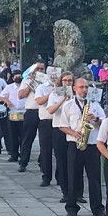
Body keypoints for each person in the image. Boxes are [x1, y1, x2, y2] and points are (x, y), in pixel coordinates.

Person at [56, 77, 105, 216]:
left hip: (92, 145)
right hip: (75, 144)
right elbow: (62, 126)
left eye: (86, 87)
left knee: (94, 178)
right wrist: (74, 133)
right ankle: (71, 207)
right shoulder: (69, 105)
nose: (84, 90)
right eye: (81, 87)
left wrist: (95, 119)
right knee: (73, 176)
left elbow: (105, 123)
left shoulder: (95, 105)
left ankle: (97, 207)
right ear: (74, 88)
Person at [46, 71, 74, 200]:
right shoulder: (54, 94)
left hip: (74, 130)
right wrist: (63, 99)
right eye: (65, 80)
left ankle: (76, 192)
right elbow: (51, 110)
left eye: (70, 81)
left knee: (74, 162)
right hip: (59, 129)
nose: (67, 83)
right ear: (61, 82)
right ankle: (65, 192)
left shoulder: (77, 95)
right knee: (62, 161)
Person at [16, 62, 45, 175]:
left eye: (42, 68)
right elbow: (20, 95)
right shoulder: (27, 80)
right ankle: (23, 162)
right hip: (32, 110)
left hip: (44, 111)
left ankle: (42, 161)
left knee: (44, 140)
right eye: (38, 68)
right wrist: (31, 83)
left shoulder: (48, 81)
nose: (40, 70)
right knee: (27, 138)